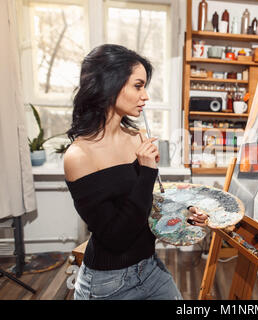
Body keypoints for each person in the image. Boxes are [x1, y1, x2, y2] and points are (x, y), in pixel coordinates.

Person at [64, 44, 208, 300]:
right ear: (110, 84)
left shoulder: (137, 137)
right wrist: (147, 172)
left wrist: (184, 213)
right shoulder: (79, 156)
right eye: (138, 85)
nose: (146, 96)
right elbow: (116, 237)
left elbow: (145, 204)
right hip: (108, 283)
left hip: (150, 268)